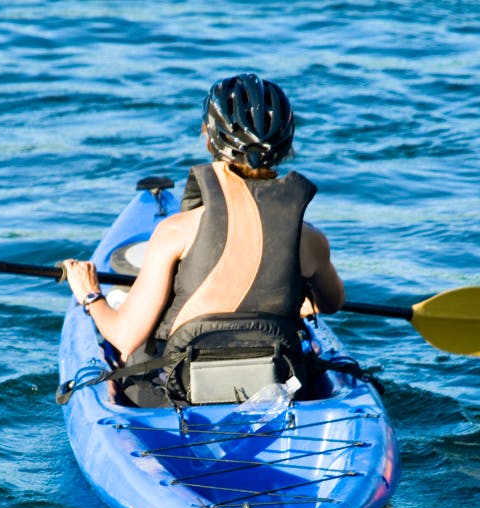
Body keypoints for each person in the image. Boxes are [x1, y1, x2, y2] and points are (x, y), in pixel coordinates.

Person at [61, 73, 345, 405]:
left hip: (177, 393)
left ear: (209, 140)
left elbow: (124, 336)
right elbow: (332, 303)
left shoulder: (176, 232)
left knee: (126, 354)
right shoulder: (309, 240)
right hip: (276, 389)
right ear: (286, 146)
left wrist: (90, 295)